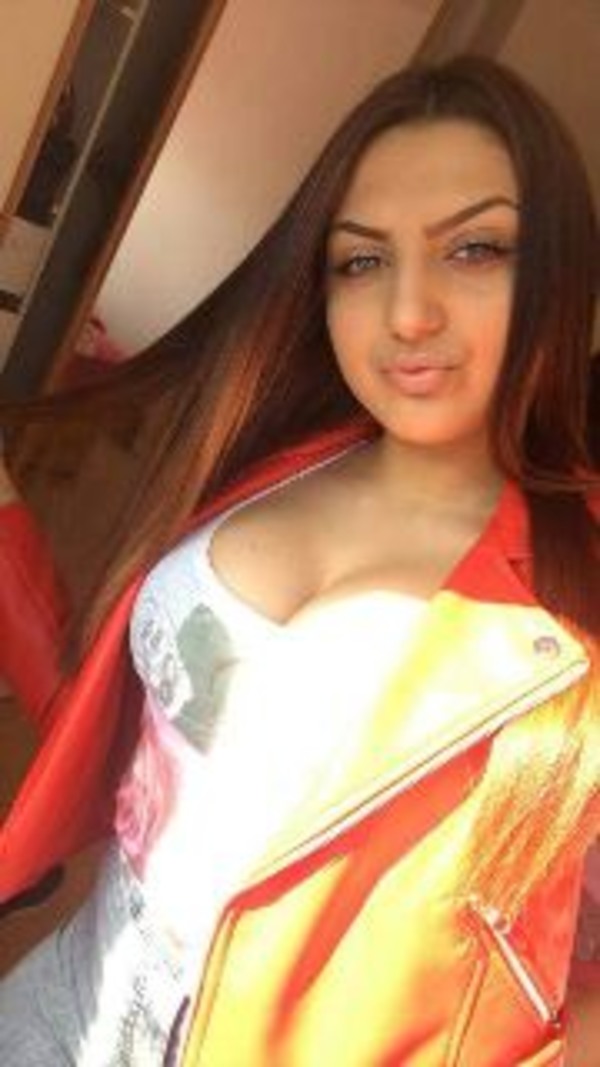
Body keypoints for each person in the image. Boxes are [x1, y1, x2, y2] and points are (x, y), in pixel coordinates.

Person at [0, 53, 598, 1066]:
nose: (408, 313)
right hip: (60, 1002)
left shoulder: (572, 610)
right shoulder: (270, 456)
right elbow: (140, 728)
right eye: (361, 261)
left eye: (474, 249)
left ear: (560, 270)